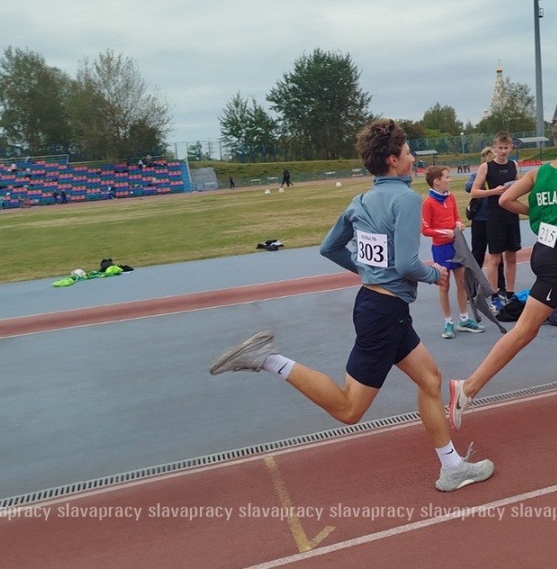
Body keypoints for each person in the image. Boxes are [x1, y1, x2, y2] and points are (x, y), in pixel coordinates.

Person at [210, 119, 493, 492]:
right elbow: (408, 264)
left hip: (379, 307)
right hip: (383, 315)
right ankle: (268, 359)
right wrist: (433, 272)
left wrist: (368, 270)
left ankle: (452, 467)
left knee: (430, 379)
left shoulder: (360, 200)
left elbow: (330, 248)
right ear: (393, 159)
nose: (413, 158)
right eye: (408, 152)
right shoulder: (407, 199)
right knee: (348, 409)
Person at [449, 112, 557, 430]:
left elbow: (506, 199)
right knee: (525, 331)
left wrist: (537, 211)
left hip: (547, 252)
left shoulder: (538, 175)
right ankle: (467, 388)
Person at [422, 165, 485, 339]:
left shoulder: (451, 197)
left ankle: (464, 320)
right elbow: (425, 229)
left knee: (462, 282)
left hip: (456, 245)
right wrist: (444, 233)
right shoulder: (428, 202)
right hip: (441, 248)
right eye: (447, 177)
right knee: (444, 284)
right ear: (437, 182)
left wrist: (458, 225)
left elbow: (456, 217)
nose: (450, 180)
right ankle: (448, 322)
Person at [470, 132, 520, 305]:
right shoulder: (486, 167)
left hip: (511, 215)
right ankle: (494, 295)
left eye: (506, 148)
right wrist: (494, 191)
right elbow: (474, 191)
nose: (503, 151)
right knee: (494, 257)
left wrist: (515, 190)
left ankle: (511, 293)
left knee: (512, 256)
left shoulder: (514, 165)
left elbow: (519, 186)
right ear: (495, 148)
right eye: (500, 148)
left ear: (511, 148)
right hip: (494, 215)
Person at [464, 147, 505, 294]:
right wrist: (482, 181)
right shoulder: (477, 175)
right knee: (477, 254)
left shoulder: (499, 175)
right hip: (480, 220)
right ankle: (472, 287)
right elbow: (468, 187)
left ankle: (501, 286)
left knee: (497, 254)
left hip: (497, 219)